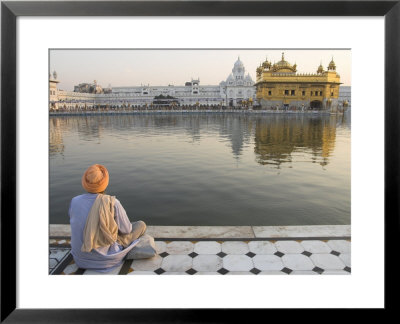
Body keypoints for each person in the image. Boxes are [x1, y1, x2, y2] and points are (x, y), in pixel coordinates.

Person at [69, 164, 147, 272]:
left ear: (85, 183)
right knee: (140, 225)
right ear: (105, 183)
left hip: (80, 259)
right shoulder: (112, 202)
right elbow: (126, 230)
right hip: (106, 259)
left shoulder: (75, 201)